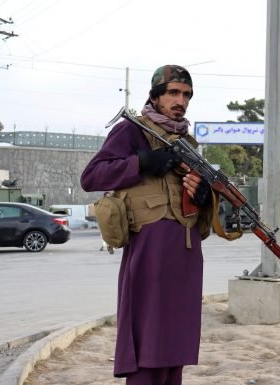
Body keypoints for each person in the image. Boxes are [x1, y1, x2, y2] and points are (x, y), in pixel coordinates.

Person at [81, 65, 215, 384]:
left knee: (176, 344)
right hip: (148, 252)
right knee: (147, 342)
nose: (180, 100)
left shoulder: (189, 143)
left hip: (185, 252)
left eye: (186, 94)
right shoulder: (132, 131)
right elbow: (91, 177)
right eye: (173, 92)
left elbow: (198, 205)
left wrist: (203, 196)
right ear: (155, 96)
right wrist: (141, 162)